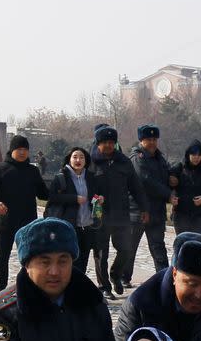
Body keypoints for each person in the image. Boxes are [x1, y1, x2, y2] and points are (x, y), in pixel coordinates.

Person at [0, 134, 50, 291]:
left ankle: (25, 287)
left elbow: (44, 194)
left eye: (25, 149)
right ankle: (0, 290)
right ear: (12, 150)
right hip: (5, 221)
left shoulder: (33, 171)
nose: (23, 152)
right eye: (19, 149)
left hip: (27, 223)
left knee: (28, 257)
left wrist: (62, 188)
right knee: (2, 257)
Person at [89, 125, 148, 300]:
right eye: (104, 142)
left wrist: (144, 208)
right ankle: (104, 285)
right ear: (98, 143)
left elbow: (136, 187)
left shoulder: (123, 162)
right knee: (101, 252)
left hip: (122, 214)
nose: (108, 146)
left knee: (125, 249)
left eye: (111, 142)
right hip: (99, 215)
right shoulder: (91, 162)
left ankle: (116, 274)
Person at [124, 125, 175, 284]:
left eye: (154, 139)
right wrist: (168, 194)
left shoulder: (160, 158)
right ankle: (124, 277)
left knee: (158, 247)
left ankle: (165, 279)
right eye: (148, 140)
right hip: (138, 210)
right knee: (130, 247)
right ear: (141, 140)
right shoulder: (137, 158)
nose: (152, 143)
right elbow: (144, 180)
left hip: (157, 211)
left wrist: (173, 179)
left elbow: (166, 176)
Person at [44, 147, 100, 274]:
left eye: (81, 157)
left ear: (86, 160)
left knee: (84, 259)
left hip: (87, 226)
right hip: (68, 226)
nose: (78, 160)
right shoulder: (61, 177)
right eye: (75, 157)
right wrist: (74, 198)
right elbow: (52, 198)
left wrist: (99, 199)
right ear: (69, 159)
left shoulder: (91, 177)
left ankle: (78, 288)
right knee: (70, 259)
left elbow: (94, 196)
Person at [170, 140, 201, 236]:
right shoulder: (178, 167)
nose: (196, 158)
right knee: (183, 245)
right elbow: (167, 185)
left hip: (200, 216)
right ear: (188, 154)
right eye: (193, 155)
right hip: (181, 214)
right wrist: (170, 197)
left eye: (199, 155)